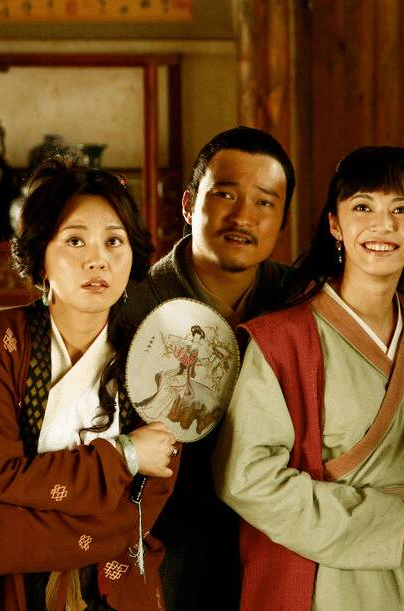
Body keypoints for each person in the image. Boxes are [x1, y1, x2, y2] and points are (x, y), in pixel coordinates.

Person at [213, 146, 404, 610]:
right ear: (335, 223)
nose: (383, 225)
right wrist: (380, 522)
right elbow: (245, 478)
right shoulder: (281, 339)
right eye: (362, 207)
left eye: (401, 210)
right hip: (325, 575)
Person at [0, 158, 181, 610]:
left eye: (114, 241)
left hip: (117, 585)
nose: (97, 259)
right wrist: (126, 454)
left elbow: (138, 513)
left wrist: (14, 534)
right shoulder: (0, 341)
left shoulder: (156, 357)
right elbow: (1, 479)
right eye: (75, 240)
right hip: (15, 587)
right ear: (40, 255)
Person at [113, 126, 294, 610]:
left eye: (264, 202)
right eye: (225, 195)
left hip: (280, 542)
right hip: (163, 546)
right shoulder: (131, 303)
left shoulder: (302, 300)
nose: (242, 217)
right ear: (189, 204)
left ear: (282, 220)